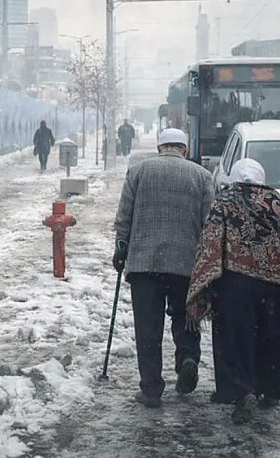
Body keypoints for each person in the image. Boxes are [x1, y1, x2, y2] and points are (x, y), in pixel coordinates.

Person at [185, 158, 280, 424]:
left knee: (236, 337)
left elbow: (210, 239)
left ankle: (240, 391)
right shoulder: (276, 201)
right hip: (275, 285)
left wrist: (204, 277)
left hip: (236, 283)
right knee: (271, 335)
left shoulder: (225, 199)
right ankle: (269, 388)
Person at [112, 127, 214, 408]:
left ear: (159, 147)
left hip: (145, 263)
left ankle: (151, 389)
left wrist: (121, 246)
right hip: (186, 264)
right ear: (185, 148)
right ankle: (188, 359)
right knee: (187, 317)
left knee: (148, 327)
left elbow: (124, 216)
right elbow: (210, 224)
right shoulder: (202, 176)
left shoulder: (138, 172)